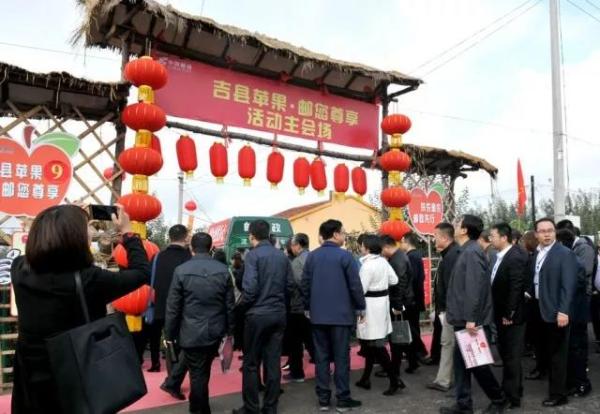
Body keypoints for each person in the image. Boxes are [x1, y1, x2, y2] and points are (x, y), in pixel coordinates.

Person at [11, 204, 150, 413]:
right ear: (76, 238)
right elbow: (141, 272)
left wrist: (61, 217)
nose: (91, 232)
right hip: (75, 373)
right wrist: (128, 233)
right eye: (87, 228)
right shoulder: (90, 280)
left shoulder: (19, 268)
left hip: (30, 375)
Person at [440, 215, 506, 414]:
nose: (454, 225)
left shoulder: (471, 252)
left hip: (469, 320)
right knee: (461, 365)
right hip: (463, 318)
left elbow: (474, 289)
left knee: (478, 364)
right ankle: (463, 404)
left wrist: (471, 319)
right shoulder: (466, 250)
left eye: (457, 223)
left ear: (464, 230)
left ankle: (498, 399)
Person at [165, 232, 235, 414]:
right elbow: (229, 305)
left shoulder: (181, 270)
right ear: (211, 248)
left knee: (198, 374)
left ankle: (198, 409)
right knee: (202, 373)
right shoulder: (223, 270)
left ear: (191, 248)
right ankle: (200, 407)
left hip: (190, 331)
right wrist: (230, 331)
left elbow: (173, 307)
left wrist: (169, 334)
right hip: (215, 331)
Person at [302, 219, 366, 412]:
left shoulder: (312, 257)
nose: (345, 236)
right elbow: (355, 285)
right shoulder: (345, 256)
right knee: (341, 358)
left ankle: (323, 400)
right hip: (341, 316)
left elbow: (305, 284)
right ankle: (343, 399)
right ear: (336, 234)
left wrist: (307, 307)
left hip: (318, 315)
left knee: (321, 358)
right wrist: (361, 307)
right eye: (343, 232)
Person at [233, 220, 294, 414]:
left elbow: (250, 289)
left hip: (257, 314)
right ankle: (270, 407)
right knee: (273, 362)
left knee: (251, 363)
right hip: (278, 313)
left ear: (251, 235)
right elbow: (290, 286)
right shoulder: (282, 256)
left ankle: (251, 407)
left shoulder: (253, 255)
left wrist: (243, 307)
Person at [526, 218, 578, 407]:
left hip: (556, 311)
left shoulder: (564, 253)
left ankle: (559, 394)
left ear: (555, 232)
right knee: (545, 351)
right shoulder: (537, 253)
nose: (547, 234)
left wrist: (563, 311)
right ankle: (556, 384)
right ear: (536, 234)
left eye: (550, 230)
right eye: (542, 231)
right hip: (538, 308)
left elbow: (568, 285)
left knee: (558, 355)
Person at [489, 222, 528, 409]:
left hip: (511, 316)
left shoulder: (515, 257)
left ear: (504, 238)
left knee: (512, 356)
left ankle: (511, 396)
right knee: (507, 355)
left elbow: (516, 287)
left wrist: (509, 313)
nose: (490, 239)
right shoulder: (501, 255)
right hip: (501, 313)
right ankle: (514, 390)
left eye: (493, 236)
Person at [355, 235, 400, 396]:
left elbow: (360, 290)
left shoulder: (367, 266)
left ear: (367, 248)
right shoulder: (383, 261)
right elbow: (394, 280)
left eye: (362, 245)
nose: (360, 248)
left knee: (375, 344)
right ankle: (366, 378)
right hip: (383, 304)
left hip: (370, 307)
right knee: (371, 344)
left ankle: (394, 380)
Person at [144, 224, 191, 375]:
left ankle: (155, 363)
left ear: (169, 237)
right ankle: (176, 368)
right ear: (185, 237)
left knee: (155, 335)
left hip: (158, 303)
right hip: (180, 306)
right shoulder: (188, 258)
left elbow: (147, 280)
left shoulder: (157, 257)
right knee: (176, 338)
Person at [555, 228, 592, 397]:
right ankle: (573, 382)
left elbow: (571, 288)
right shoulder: (569, 259)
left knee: (577, 349)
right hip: (572, 312)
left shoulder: (572, 261)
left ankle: (582, 384)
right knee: (571, 349)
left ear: (561, 243)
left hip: (575, 313)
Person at [427, 222, 460, 393]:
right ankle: (445, 379)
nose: (434, 240)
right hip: (448, 309)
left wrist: (445, 310)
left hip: (451, 310)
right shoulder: (449, 254)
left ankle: (444, 380)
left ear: (445, 238)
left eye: (435, 237)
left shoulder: (453, 256)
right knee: (449, 344)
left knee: (449, 344)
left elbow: (452, 288)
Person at [380, 234, 412, 382]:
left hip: (399, 304)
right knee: (400, 337)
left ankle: (395, 370)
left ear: (386, 247)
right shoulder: (398, 257)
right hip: (401, 301)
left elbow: (399, 284)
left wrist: (398, 305)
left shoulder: (397, 260)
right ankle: (406, 364)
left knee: (397, 338)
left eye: (381, 249)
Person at [285, 233, 314, 383]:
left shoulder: (296, 262)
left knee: (295, 342)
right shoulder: (315, 257)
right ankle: (324, 366)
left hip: (299, 307)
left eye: (292, 245)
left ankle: (297, 373)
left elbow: (301, 284)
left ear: (297, 245)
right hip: (315, 306)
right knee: (312, 339)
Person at [399, 232, 429, 367]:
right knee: (413, 326)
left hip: (412, 298)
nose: (400, 244)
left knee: (412, 327)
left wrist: (407, 297)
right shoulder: (415, 255)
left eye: (401, 241)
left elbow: (413, 279)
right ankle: (415, 352)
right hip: (415, 297)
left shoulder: (411, 257)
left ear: (406, 241)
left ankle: (420, 352)